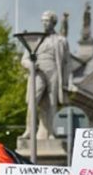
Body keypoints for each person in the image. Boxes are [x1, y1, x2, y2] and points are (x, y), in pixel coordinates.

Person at [20, 10, 70, 140]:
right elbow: (24, 60)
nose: (44, 23)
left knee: (52, 103)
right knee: (32, 101)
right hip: (37, 71)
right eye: (43, 21)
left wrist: (67, 82)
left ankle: (52, 132)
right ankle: (29, 130)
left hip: (54, 70)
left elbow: (66, 63)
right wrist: (31, 66)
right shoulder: (34, 39)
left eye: (47, 21)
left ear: (53, 22)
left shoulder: (61, 40)